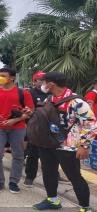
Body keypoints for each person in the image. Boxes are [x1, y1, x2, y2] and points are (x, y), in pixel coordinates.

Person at [33, 72, 96, 212]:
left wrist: (84, 145)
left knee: (74, 176)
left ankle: (85, 207)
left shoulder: (77, 102)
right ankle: (52, 200)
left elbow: (91, 124)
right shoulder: (49, 99)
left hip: (68, 146)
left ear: (51, 84)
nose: (42, 84)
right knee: (48, 172)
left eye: (44, 82)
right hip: (47, 143)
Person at [0, 68, 34, 194]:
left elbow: (30, 111)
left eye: (3, 76)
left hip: (17, 128)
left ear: (12, 78)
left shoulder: (23, 93)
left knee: (18, 155)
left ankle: (14, 182)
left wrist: (16, 120)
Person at [24, 72, 49, 187]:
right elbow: (26, 110)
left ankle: (55, 175)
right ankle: (29, 177)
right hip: (35, 129)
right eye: (41, 80)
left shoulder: (52, 93)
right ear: (35, 81)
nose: (44, 82)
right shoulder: (30, 93)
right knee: (33, 154)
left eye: (46, 80)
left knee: (51, 155)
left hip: (50, 130)